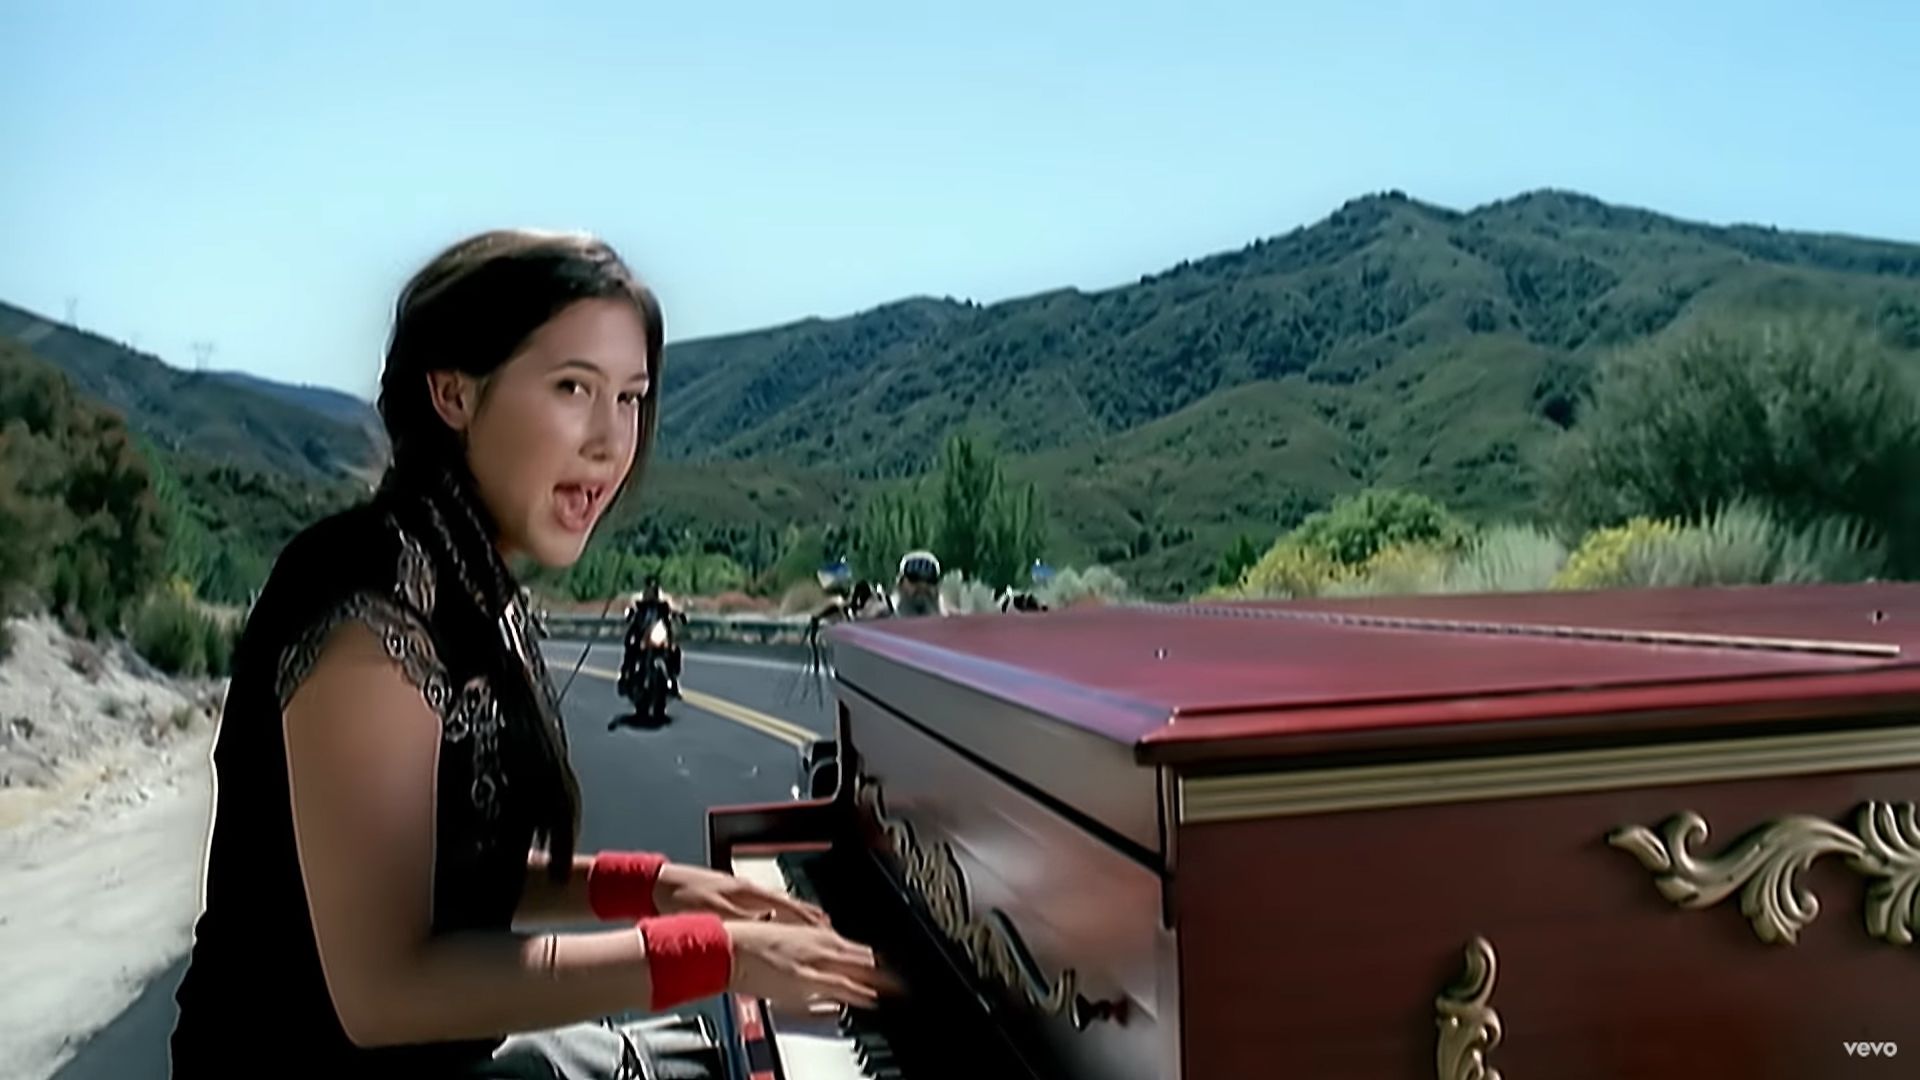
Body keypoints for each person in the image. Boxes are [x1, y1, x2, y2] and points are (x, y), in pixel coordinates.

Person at [169, 229, 889, 1078]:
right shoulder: (371, 601)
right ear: (453, 392)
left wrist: (655, 887)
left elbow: (461, 879)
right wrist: (713, 955)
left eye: (630, 397)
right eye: (573, 387)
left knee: (696, 1061)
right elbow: (385, 991)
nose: (610, 440)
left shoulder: (470, 582)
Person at [625, 576, 684, 697]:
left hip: (659, 633)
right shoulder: (638, 599)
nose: (652, 590)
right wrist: (630, 612)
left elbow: (674, 608)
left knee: (675, 650)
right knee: (630, 646)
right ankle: (626, 675)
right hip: (641, 633)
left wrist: (680, 614)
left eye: (654, 587)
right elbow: (631, 608)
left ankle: (673, 680)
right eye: (650, 587)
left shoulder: (664, 600)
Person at [891, 550, 946, 617]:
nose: (923, 585)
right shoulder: (883, 622)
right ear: (900, 585)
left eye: (930, 580)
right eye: (914, 578)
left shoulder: (952, 622)